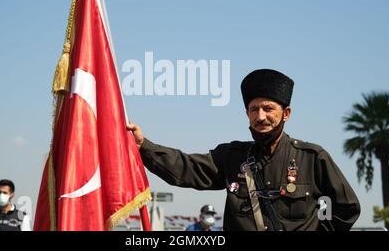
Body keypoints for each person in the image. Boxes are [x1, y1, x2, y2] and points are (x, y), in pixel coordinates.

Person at [127, 69, 361, 231]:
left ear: (286, 114)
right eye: (253, 109)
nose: (261, 116)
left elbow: (347, 208)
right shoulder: (232, 156)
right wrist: (144, 147)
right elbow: (187, 168)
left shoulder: (312, 158)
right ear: (247, 114)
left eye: (268, 108)